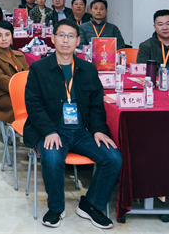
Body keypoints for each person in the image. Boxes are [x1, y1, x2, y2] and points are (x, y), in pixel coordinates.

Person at [24, 19, 121, 229]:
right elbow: (33, 105)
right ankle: (56, 208)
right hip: (52, 129)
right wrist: (49, 131)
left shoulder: (88, 69)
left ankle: (91, 205)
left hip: (81, 130)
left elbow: (96, 105)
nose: (65, 40)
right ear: (53, 38)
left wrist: (98, 130)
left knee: (113, 158)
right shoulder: (39, 68)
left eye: (70, 36)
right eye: (61, 35)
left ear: (78, 40)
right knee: (52, 159)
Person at [0, 20, 29, 133]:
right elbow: (0, 79)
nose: (4, 39)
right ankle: (27, 133)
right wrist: (24, 90)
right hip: (2, 96)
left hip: (22, 93)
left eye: (7, 35)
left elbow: (29, 76)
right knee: (33, 105)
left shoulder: (19, 55)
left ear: (12, 36)